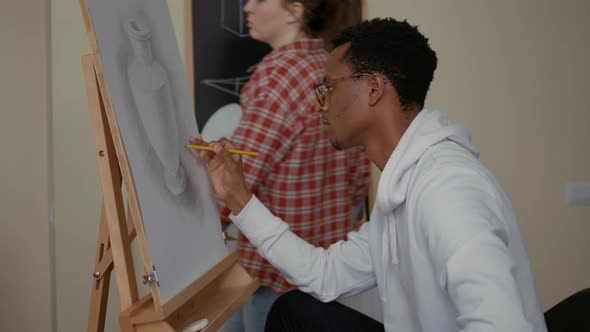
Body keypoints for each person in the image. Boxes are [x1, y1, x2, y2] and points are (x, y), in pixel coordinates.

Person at [191, 17, 549, 331]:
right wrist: (240, 199)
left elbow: (505, 324)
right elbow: (323, 274)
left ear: (375, 88)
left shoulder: (447, 190)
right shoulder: (402, 191)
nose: (321, 103)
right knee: (294, 310)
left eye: (328, 87)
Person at [215, 0, 370, 331]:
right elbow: (359, 179)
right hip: (329, 275)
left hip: (276, 281)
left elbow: (236, 180)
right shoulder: (340, 70)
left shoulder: (277, 77)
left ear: (295, 11)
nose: (247, 6)